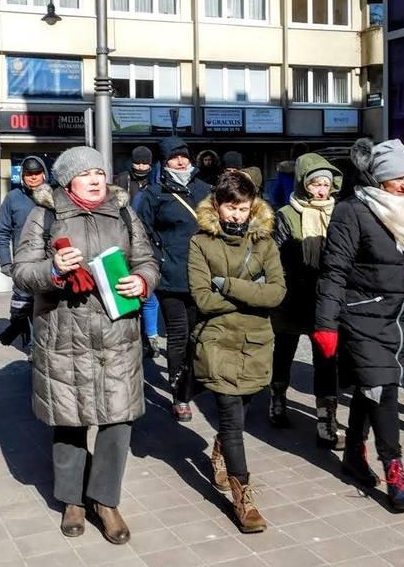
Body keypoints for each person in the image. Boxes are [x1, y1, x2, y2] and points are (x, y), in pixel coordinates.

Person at [13, 146, 159, 545]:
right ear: (67, 180)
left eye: (100, 172)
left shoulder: (124, 212)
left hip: (117, 336)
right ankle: (73, 500)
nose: (96, 180)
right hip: (64, 336)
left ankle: (105, 500)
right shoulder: (45, 214)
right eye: (86, 174)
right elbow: (22, 271)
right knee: (70, 421)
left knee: (117, 420)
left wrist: (143, 282)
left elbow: (148, 260)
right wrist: (54, 270)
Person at [315, 138, 404, 511]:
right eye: (396, 178)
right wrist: (326, 324)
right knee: (384, 391)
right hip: (362, 316)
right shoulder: (352, 212)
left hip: (401, 317)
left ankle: (354, 455)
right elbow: (333, 271)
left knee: (372, 389)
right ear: (378, 178)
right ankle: (395, 472)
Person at [188, 171, 285, 533]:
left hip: (257, 342)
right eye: (230, 207)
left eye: (242, 208)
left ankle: (218, 452)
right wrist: (251, 293)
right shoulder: (200, 242)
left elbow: (276, 294)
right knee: (231, 420)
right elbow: (201, 298)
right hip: (218, 340)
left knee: (240, 415)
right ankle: (244, 500)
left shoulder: (266, 243)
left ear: (252, 207)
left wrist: (226, 285)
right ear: (217, 205)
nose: (236, 215)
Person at [270, 153, 344, 449]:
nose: (321, 190)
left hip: (325, 300)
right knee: (284, 351)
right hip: (292, 296)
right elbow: (275, 257)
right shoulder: (287, 214)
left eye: (326, 184)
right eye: (315, 183)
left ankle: (327, 421)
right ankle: (277, 400)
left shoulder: (339, 213)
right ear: (304, 184)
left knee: (327, 359)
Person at [135, 136, 211, 421]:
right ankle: (180, 396)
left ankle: (197, 382)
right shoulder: (154, 193)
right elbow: (140, 232)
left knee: (199, 333)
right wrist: (159, 258)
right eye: (173, 158)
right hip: (171, 276)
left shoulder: (206, 190)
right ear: (163, 162)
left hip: (203, 275)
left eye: (184, 156)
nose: (180, 162)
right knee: (179, 335)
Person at [0, 156, 50, 347]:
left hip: (48, 265)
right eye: (28, 174)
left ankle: (38, 350)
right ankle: (24, 335)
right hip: (22, 266)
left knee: (45, 313)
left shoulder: (54, 196)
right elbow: (2, 231)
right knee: (21, 309)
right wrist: (5, 262)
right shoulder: (13, 198)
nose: (33, 178)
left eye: (36, 174)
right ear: (22, 176)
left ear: (44, 174)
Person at [115, 146, 162, 358]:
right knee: (127, 290)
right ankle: (130, 336)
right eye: (138, 162)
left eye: (145, 163)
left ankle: (151, 336)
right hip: (124, 240)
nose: (141, 167)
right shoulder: (121, 181)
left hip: (149, 241)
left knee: (149, 293)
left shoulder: (157, 180)